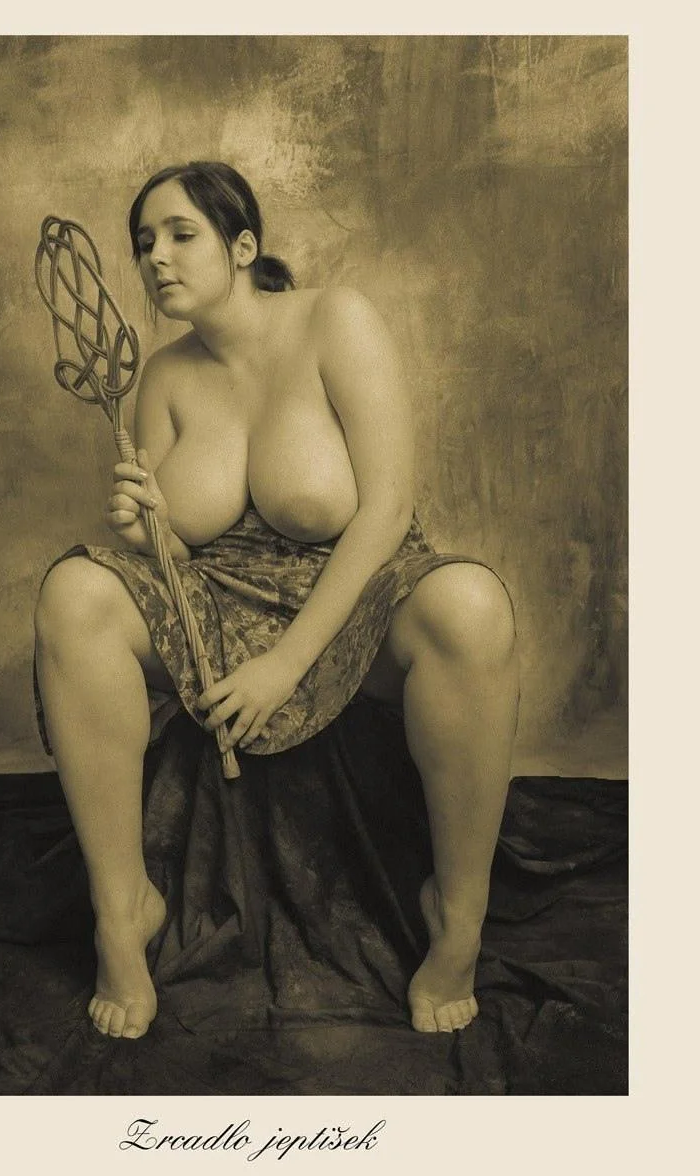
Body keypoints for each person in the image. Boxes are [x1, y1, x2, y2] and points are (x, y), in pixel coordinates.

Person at [34, 161, 519, 1041]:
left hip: (355, 594)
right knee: (74, 590)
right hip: (215, 602)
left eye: (180, 234)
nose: (155, 258)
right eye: (143, 243)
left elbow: (387, 509)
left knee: (473, 605)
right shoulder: (162, 375)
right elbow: (180, 558)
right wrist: (148, 532)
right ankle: (122, 910)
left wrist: (286, 663)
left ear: (242, 246)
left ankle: (457, 917)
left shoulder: (336, 320)